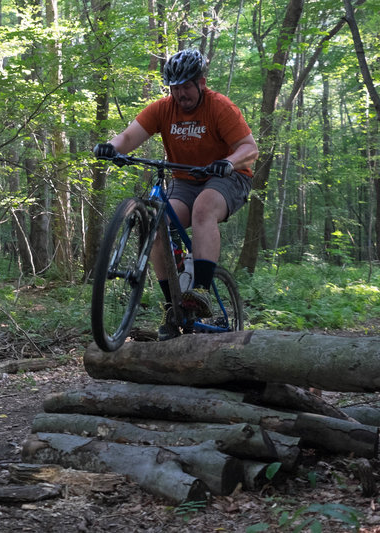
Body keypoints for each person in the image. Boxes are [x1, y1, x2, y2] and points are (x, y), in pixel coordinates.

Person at [93, 48, 258, 340]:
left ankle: (202, 291)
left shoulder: (220, 107)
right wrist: (112, 147)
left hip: (229, 177)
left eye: (186, 87)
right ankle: (174, 306)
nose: (180, 94)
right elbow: (130, 135)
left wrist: (228, 162)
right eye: (175, 88)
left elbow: (250, 149)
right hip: (185, 179)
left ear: (201, 83)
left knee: (204, 208)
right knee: (157, 225)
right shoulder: (163, 109)